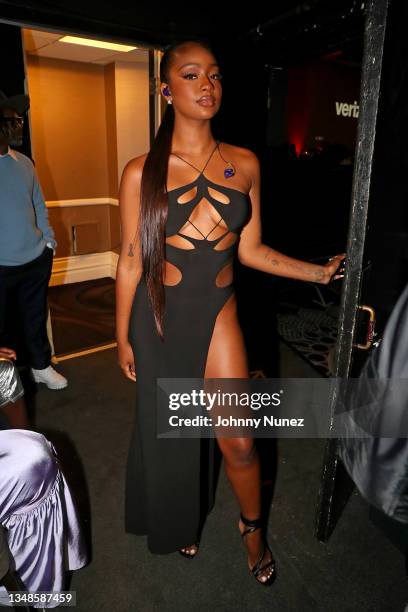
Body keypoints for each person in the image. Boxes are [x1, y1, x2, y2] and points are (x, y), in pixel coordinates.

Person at [115, 39, 345, 585]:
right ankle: (182, 520)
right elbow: (129, 260)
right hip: (160, 320)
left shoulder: (244, 163)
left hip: (219, 315)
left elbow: (251, 251)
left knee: (239, 439)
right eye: (192, 76)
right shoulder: (140, 171)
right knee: (178, 435)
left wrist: (317, 273)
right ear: (166, 89)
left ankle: (253, 530)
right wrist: (122, 336)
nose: (207, 86)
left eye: (215, 75)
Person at [0, 90, 67, 391]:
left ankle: (41, 366)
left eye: (19, 120)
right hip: (2, 265)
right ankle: (5, 382)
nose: (19, 126)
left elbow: (39, 204)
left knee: (35, 318)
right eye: (13, 121)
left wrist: (48, 242)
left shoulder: (24, 163)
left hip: (35, 258)